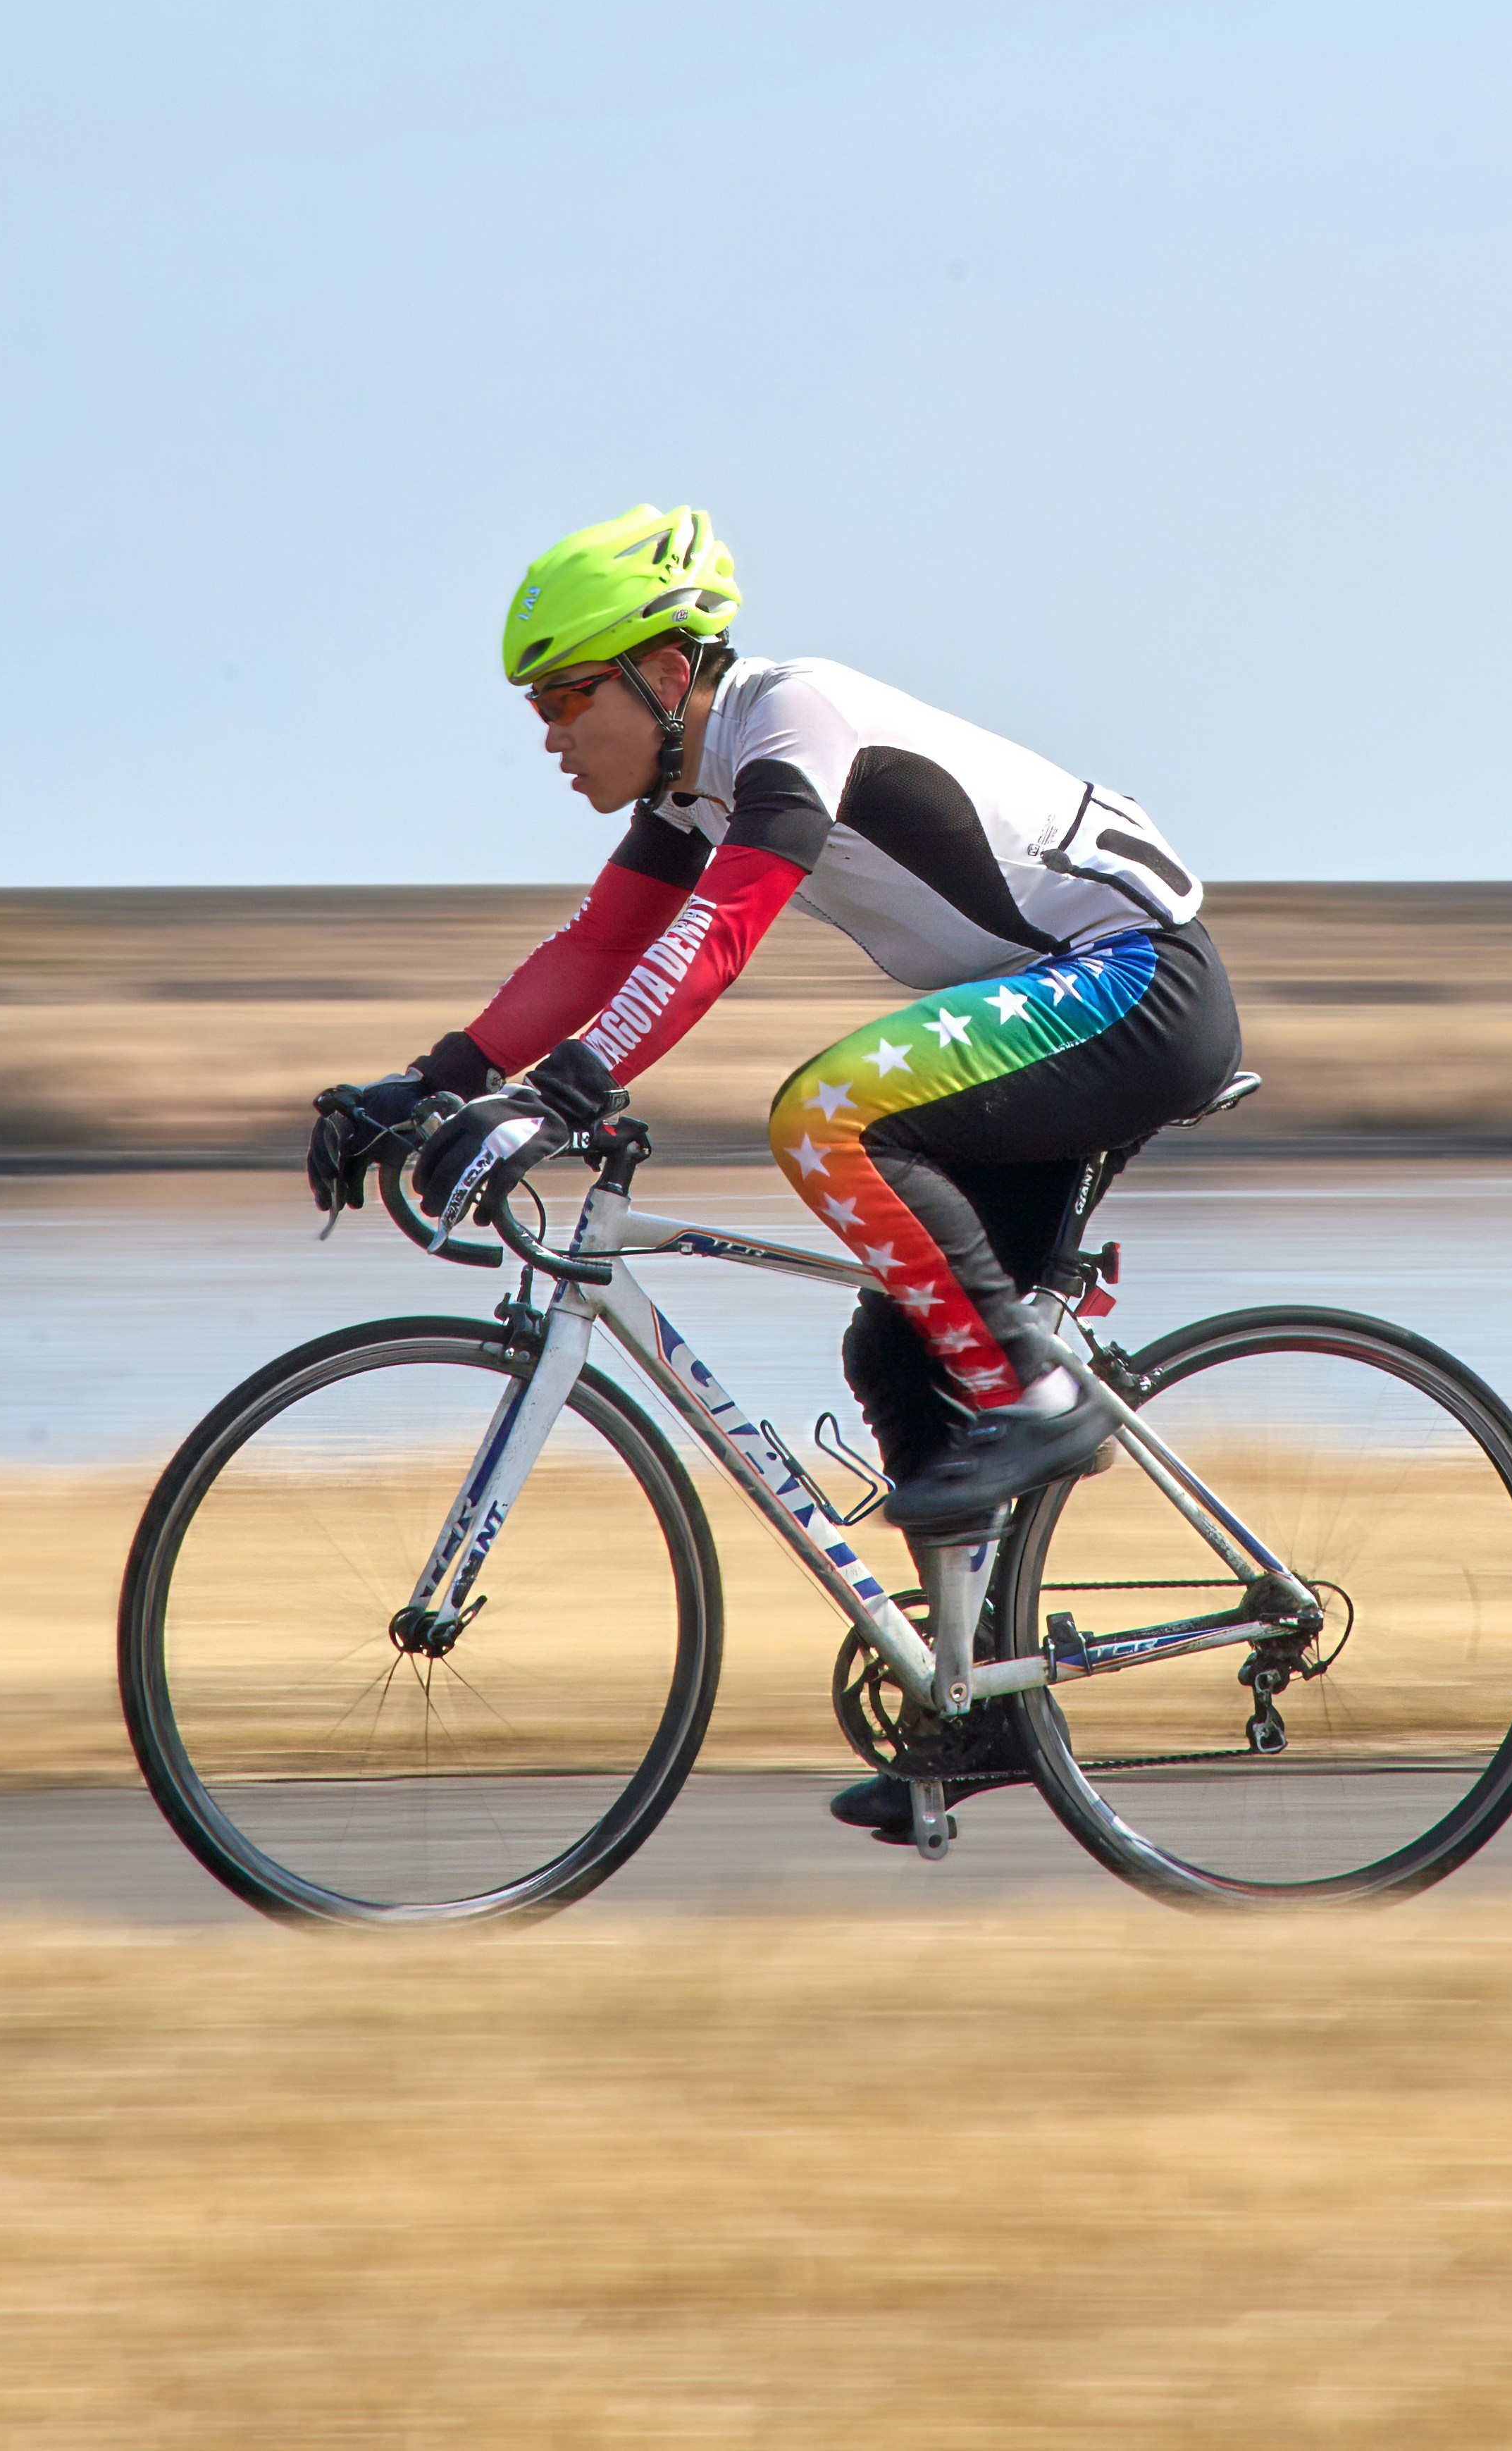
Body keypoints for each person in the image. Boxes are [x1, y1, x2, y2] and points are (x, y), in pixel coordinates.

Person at [307, 504, 1239, 1834]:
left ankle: (1041, 1398)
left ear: (667, 674)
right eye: (537, 706)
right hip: (1051, 1006)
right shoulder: (695, 784)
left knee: (822, 1114)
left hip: (1137, 987)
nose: (550, 735)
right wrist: (431, 1081)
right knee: (896, 1345)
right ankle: (978, 1710)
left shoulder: (792, 721)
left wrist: (565, 1096)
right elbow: (596, 950)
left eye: (569, 696)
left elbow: (714, 939)